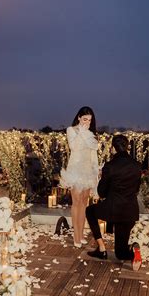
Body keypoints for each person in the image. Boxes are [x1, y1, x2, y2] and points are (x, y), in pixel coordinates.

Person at [85, 134, 143, 269]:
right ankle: (133, 250)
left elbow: (101, 192)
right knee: (120, 253)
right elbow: (136, 189)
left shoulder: (109, 166)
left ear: (113, 148)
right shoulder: (137, 166)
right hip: (130, 212)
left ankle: (101, 248)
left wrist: (102, 178)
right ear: (127, 147)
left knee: (90, 211)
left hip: (113, 209)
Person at [60, 106, 99, 248]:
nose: (87, 122)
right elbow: (73, 147)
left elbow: (93, 154)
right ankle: (76, 236)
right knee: (76, 203)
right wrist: (82, 131)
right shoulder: (72, 130)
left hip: (88, 171)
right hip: (76, 171)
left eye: (89, 120)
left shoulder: (91, 133)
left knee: (84, 203)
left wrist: (96, 171)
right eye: (84, 119)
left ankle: (81, 235)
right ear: (78, 118)